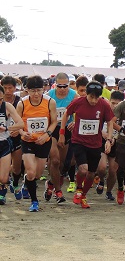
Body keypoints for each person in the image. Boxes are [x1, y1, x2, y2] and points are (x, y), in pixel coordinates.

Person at [58, 81, 115, 209]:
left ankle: (83, 195)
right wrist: (62, 132)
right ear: (86, 94)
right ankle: (78, 189)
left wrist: (109, 139)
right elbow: (66, 114)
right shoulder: (78, 102)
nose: (94, 100)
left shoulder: (104, 105)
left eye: (97, 97)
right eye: (91, 97)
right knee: (83, 168)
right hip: (79, 141)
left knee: (90, 173)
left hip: (95, 143)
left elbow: (110, 122)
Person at [16, 76, 59, 212]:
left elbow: (54, 122)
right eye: (32, 91)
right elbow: (17, 124)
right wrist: (23, 133)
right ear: (27, 90)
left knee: (38, 175)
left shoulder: (50, 102)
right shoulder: (22, 104)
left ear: (44, 89)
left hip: (44, 141)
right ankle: (34, 201)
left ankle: (27, 182)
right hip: (28, 141)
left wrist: (47, 134)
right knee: (31, 172)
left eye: (39, 90)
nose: (36, 94)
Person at [45, 72, 77, 204]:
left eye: (65, 86)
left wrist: (75, 121)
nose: (63, 89)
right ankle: (58, 192)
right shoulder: (49, 96)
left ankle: (51, 183)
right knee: (55, 161)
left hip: (67, 129)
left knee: (63, 164)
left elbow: (79, 111)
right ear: (55, 85)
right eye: (60, 86)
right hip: (53, 128)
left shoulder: (73, 95)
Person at [0, 85, 24, 205]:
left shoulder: (7, 107)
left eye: (0, 99)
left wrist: (6, 128)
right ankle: (1, 195)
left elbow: (20, 123)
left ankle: (5, 187)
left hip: (4, 143)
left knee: (3, 178)